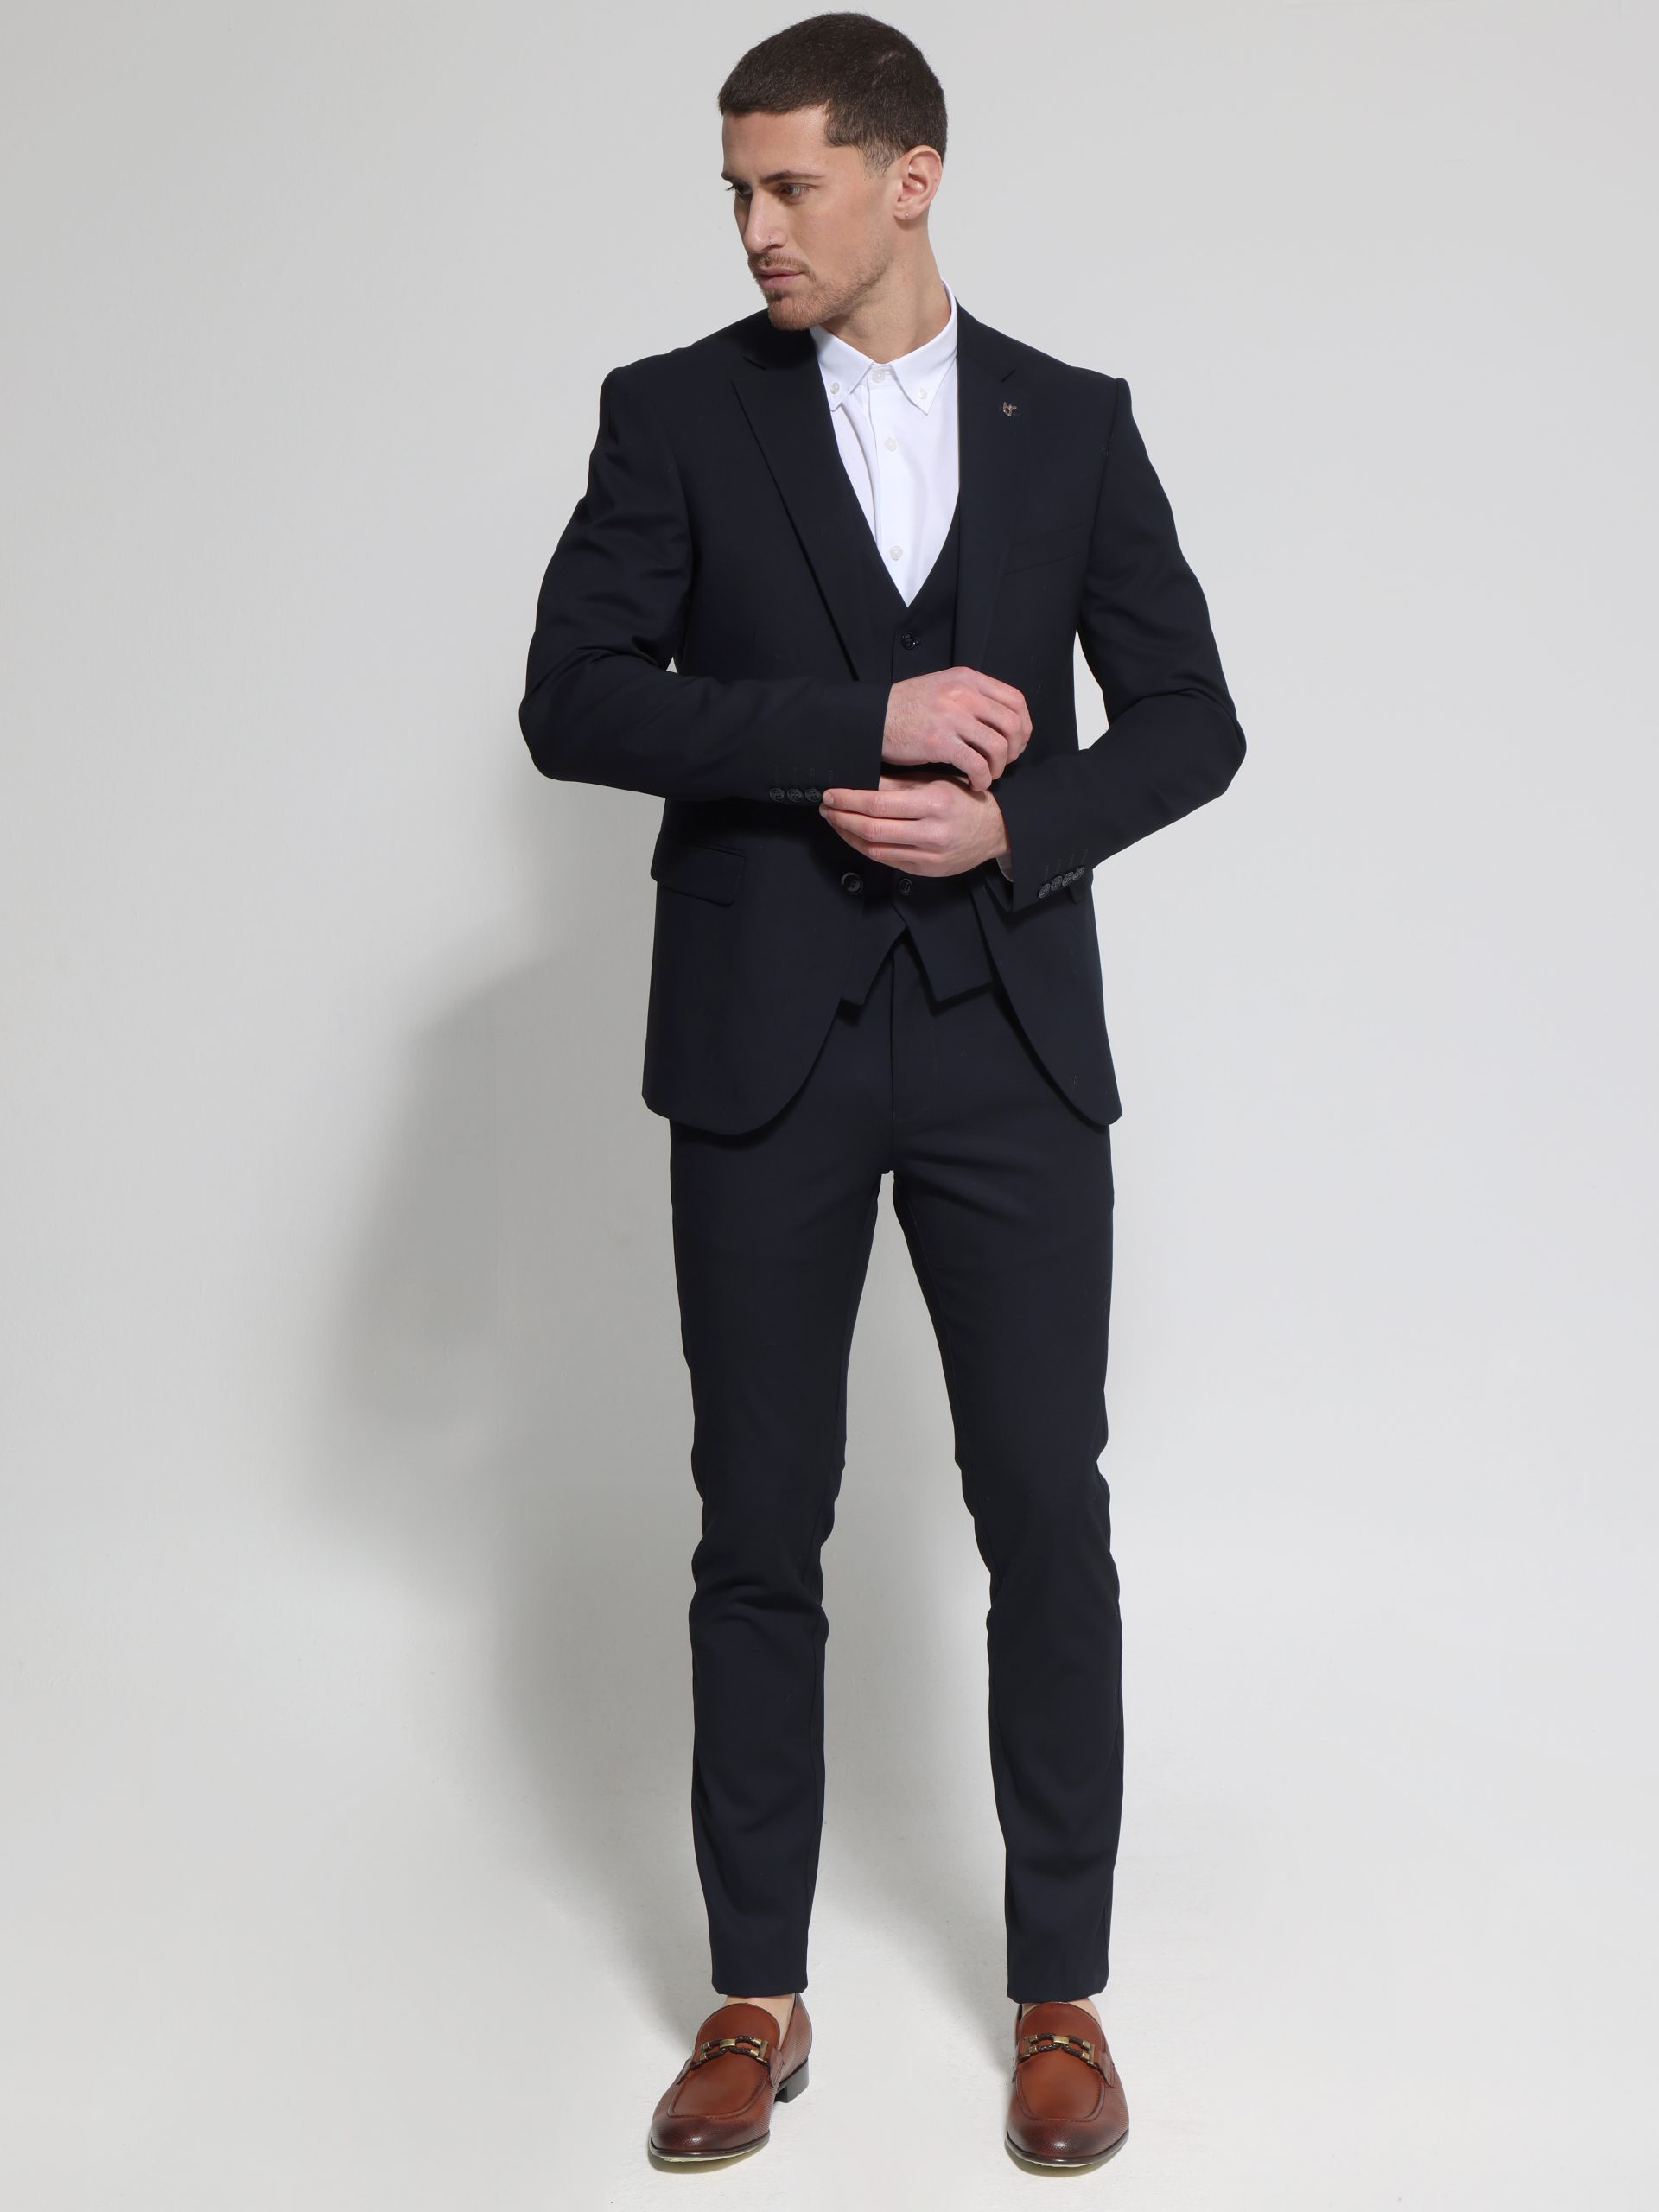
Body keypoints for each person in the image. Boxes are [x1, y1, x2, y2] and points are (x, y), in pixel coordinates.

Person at [517, 10, 1245, 2172]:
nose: (755, 226)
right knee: (759, 1520)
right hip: (768, 1040)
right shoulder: (674, 413)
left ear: (909, 178)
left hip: (1010, 1039)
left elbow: (1193, 719)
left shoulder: (1072, 423)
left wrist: (1016, 827)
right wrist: (865, 715)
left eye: (791, 184)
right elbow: (572, 699)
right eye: (736, 191)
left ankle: (1060, 1992)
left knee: (1047, 1514)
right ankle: (755, 1990)